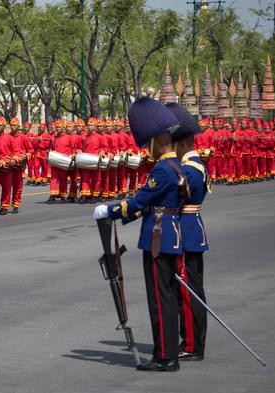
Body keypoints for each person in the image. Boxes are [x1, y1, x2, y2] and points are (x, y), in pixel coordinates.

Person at [93, 96, 184, 372]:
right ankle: (166, 352)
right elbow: (147, 206)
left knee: (160, 300)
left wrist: (109, 211)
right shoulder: (174, 166)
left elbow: (139, 202)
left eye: (149, 143)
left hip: (159, 238)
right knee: (165, 299)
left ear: (157, 141)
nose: (148, 149)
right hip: (168, 234)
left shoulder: (162, 170)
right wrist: (126, 215)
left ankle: (165, 356)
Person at [166, 103, 209, 362]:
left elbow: (176, 201)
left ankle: (192, 344)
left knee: (187, 292)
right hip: (193, 228)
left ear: (182, 144)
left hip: (186, 229)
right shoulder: (196, 165)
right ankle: (191, 342)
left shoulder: (189, 170)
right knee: (191, 288)